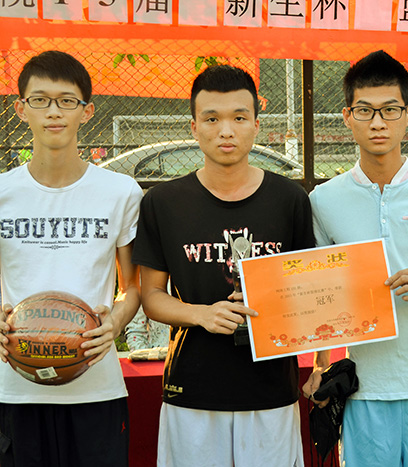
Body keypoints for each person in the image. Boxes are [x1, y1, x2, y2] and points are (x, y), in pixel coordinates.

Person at [132, 64, 314, 467]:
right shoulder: (163, 203)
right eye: (212, 119)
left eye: (239, 118)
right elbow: (152, 297)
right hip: (192, 390)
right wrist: (202, 314)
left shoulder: (289, 199)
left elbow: (308, 293)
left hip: (271, 389)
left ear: (256, 125)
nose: (226, 131)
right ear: (194, 127)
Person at [303, 50, 408, 466]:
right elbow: (318, 294)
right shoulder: (324, 200)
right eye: (365, 110)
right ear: (347, 117)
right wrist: (319, 366)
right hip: (366, 387)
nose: (378, 122)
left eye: (390, 110)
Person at [0, 50, 142, 467]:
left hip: (96, 385)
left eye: (66, 100)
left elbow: (133, 287)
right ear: (20, 109)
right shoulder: (2, 193)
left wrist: (115, 321)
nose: (53, 112)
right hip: (15, 387)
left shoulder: (121, 192)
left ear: (87, 111)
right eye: (40, 100)